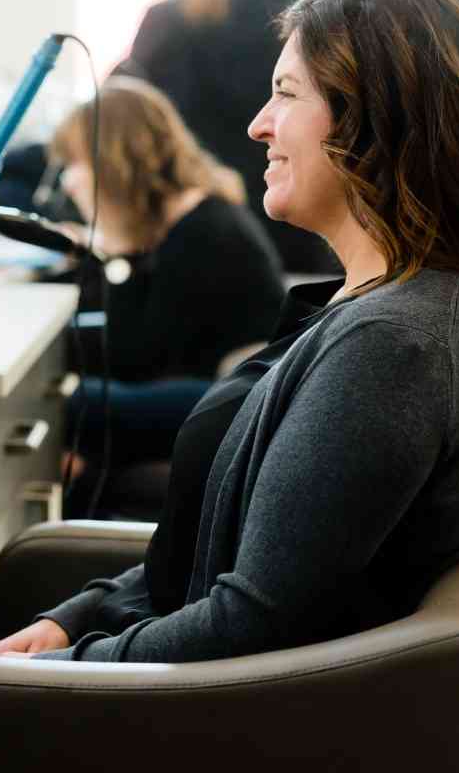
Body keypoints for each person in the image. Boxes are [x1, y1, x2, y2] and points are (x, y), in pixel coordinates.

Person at [0, 0, 459, 664]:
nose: (258, 124)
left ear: (372, 122)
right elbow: (230, 554)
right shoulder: (383, 310)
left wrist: (59, 670)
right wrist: (80, 617)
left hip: (199, 719)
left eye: (286, 95)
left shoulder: (391, 350)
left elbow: (246, 624)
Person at [48, 75, 285, 503]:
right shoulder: (186, 220)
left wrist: (118, 256)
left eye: (76, 164)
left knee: (80, 405)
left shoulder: (202, 232)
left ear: (113, 164)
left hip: (236, 403)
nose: (68, 182)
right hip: (217, 387)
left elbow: (133, 355)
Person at [115, 0, 336, 275]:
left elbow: (121, 118)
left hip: (202, 240)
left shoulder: (167, 21)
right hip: (301, 229)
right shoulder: (306, 13)